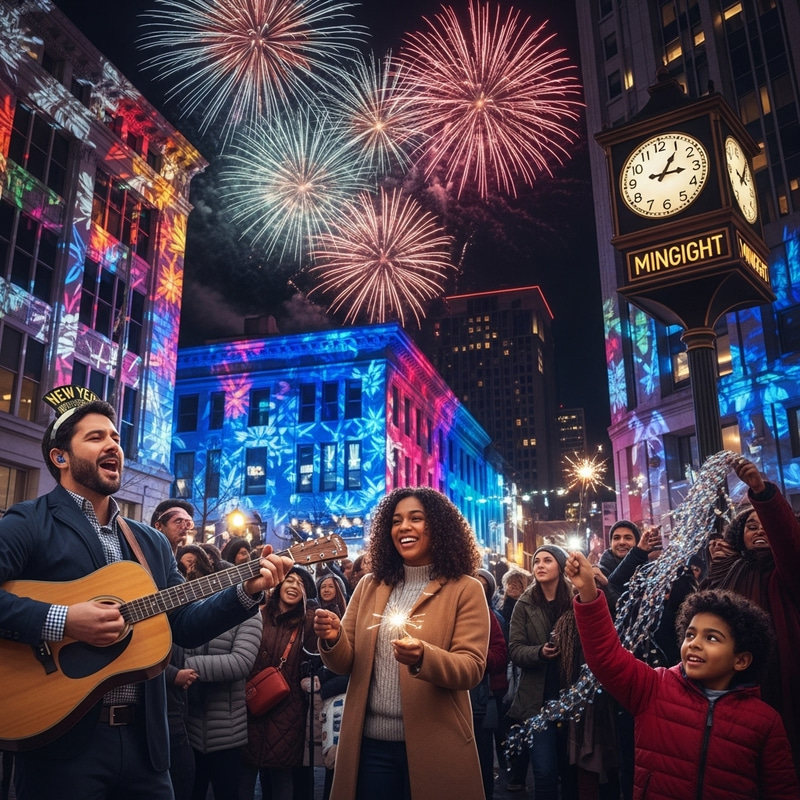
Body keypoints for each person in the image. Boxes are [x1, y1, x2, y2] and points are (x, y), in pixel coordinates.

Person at [0, 391, 292, 799]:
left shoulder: (149, 542)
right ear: (60, 457)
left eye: (116, 438)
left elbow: (185, 625)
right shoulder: (29, 523)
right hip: (60, 745)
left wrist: (246, 592)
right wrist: (64, 620)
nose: (113, 446)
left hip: (145, 745)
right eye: (96, 437)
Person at [566, 551, 800, 799]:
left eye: (712, 638)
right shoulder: (654, 688)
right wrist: (588, 592)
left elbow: (782, 790)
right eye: (690, 634)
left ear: (741, 660)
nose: (694, 644)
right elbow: (606, 658)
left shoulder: (765, 721)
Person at [313, 487, 489, 800]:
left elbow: (471, 668)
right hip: (370, 747)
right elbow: (344, 662)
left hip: (436, 743)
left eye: (416, 519)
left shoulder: (466, 589)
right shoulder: (370, 584)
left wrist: (425, 657)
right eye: (396, 521)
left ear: (437, 527)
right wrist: (333, 638)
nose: (404, 527)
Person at [704, 457, 800, 775]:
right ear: (739, 536)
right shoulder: (730, 569)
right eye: (750, 526)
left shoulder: (784, 571)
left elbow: (788, 542)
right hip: (732, 686)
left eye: (763, 525)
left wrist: (761, 493)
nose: (758, 530)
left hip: (782, 684)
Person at [182, 566, 262, 800]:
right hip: (189, 727)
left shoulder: (250, 614)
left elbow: (240, 662)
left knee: (227, 792)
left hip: (227, 731)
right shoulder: (198, 612)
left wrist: (186, 667)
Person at [242, 566, 318, 800]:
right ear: (279, 585)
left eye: (301, 584)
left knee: (282, 777)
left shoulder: (308, 623)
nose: (294, 586)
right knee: (243, 775)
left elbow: (318, 659)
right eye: (290, 580)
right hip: (250, 703)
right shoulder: (258, 614)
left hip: (289, 709)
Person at [507, 545, 577, 800]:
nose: (540, 565)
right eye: (537, 561)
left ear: (560, 566)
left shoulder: (575, 601)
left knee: (571, 773)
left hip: (572, 700)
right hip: (536, 701)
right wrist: (538, 653)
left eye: (548, 560)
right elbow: (514, 649)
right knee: (544, 772)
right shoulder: (524, 604)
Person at [152, 499, 200, 800]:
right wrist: (171, 674)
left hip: (176, 691)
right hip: (153, 684)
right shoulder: (141, 565)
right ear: (158, 525)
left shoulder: (176, 572)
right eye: (177, 521)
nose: (186, 526)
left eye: (188, 523)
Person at [472, 568, 508, 799]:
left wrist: (474, 660)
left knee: (481, 759)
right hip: (442, 700)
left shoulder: (488, 614)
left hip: (478, 700)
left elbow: (500, 654)